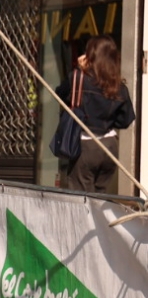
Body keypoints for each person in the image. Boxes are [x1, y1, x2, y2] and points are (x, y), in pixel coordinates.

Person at [59, 35, 135, 193]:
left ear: (90, 57)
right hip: (109, 146)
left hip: (85, 144)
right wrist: (107, 121)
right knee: (100, 197)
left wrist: (79, 70)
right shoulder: (119, 87)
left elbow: (60, 94)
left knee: (82, 198)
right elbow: (126, 120)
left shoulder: (79, 79)